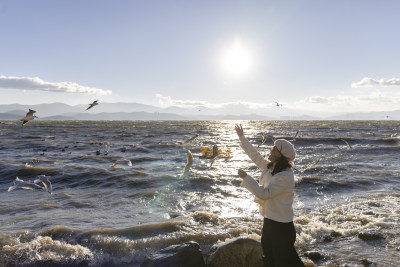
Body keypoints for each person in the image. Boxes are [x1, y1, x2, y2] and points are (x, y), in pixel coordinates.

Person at [235, 124, 304, 267]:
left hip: (282, 228)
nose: (271, 150)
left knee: (283, 263)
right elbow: (255, 156)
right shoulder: (272, 167)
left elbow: (264, 194)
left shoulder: (286, 176)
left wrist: (246, 177)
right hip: (270, 224)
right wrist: (242, 136)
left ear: (281, 155)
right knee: (271, 260)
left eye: (274, 149)